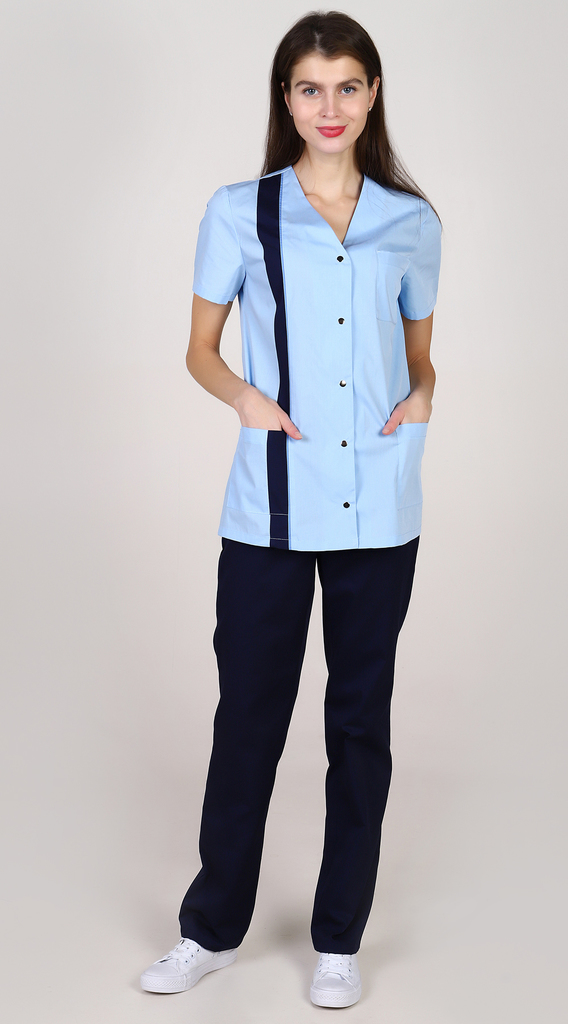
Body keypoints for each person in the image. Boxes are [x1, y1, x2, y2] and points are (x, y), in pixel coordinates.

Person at [140, 9, 442, 1009]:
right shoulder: (240, 212)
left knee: (359, 724)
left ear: (373, 94)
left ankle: (338, 938)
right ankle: (210, 928)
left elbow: (419, 356)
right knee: (249, 718)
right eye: (310, 88)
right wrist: (245, 400)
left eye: (348, 86)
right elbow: (200, 349)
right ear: (286, 99)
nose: (330, 106)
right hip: (270, 500)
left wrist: (422, 396)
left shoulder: (412, 221)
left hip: (379, 508)